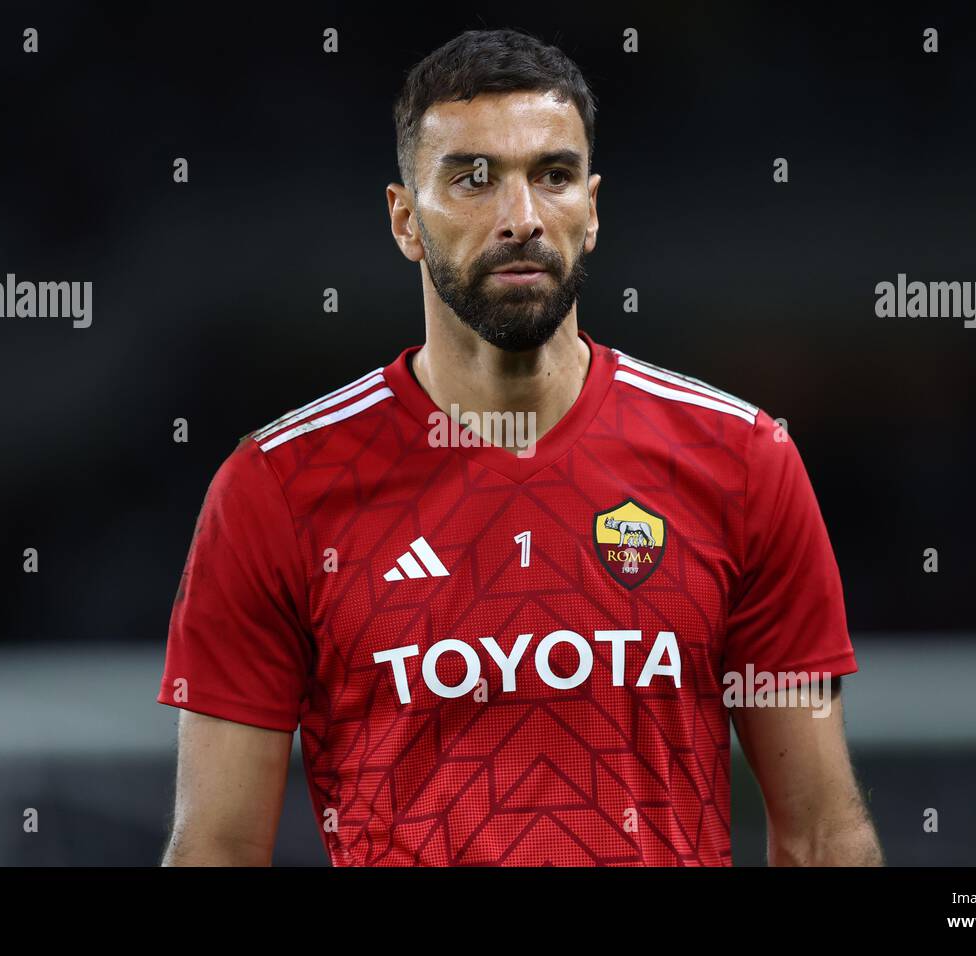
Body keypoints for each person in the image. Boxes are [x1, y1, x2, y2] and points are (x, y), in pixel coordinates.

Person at [158, 27, 882, 866]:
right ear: (404, 220)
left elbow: (825, 834)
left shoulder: (742, 459)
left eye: (553, 175)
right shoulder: (276, 489)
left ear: (594, 207)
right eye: (473, 179)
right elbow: (215, 849)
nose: (522, 219)